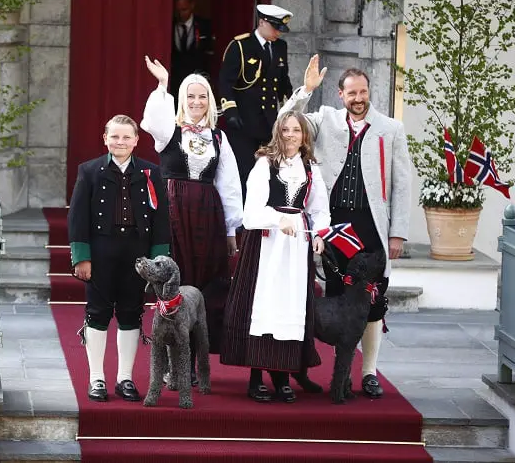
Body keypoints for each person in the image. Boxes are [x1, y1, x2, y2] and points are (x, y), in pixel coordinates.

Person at [279, 55, 412, 398]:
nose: (358, 98)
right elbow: (284, 124)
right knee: (339, 299)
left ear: (370, 92)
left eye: (363, 91)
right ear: (340, 95)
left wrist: (398, 232)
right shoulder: (325, 119)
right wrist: (305, 91)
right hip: (334, 223)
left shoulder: (390, 129)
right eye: (351, 93)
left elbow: (402, 184)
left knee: (372, 301)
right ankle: (341, 376)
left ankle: (368, 372)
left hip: (370, 227)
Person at [140, 56, 243, 382]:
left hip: (208, 216)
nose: (196, 102)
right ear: (182, 100)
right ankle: (171, 367)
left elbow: (229, 185)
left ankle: (195, 364)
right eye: (190, 96)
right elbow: (152, 119)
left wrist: (230, 229)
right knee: (174, 286)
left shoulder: (219, 138)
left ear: (209, 101)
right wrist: (162, 84)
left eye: (202, 96)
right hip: (174, 213)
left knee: (204, 288)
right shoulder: (168, 131)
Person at [220, 111, 330, 403]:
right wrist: (277, 219)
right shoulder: (264, 164)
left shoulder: (310, 169)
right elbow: (252, 208)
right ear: (277, 133)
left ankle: (282, 375)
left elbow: (319, 209)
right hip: (267, 245)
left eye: (297, 130)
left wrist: (319, 234)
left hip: (297, 248)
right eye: (286, 130)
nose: (291, 135)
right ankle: (256, 377)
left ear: (304, 135)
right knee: (264, 305)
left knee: (289, 306)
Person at [68, 114, 171, 403]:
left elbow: (161, 219)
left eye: (126, 137)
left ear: (137, 141)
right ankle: (96, 378)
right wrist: (81, 257)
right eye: (115, 136)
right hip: (100, 253)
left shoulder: (151, 173)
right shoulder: (89, 171)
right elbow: (77, 218)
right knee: (97, 313)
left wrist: (158, 261)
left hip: (136, 255)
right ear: (105, 139)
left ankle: (124, 377)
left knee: (130, 313)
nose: (120, 142)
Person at [219, 3, 294, 202]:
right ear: (262, 22)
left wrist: (291, 108)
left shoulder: (280, 47)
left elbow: (283, 82)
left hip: (269, 123)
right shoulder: (240, 46)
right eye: (275, 27)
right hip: (243, 122)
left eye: (281, 29)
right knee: (245, 174)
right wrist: (231, 112)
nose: (278, 33)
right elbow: (226, 83)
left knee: (269, 174)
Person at [170, 0, 214, 98]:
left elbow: (209, 56)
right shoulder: (169, 25)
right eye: (178, 11)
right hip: (175, 82)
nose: (181, 14)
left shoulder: (204, 26)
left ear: (192, 6)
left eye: (184, 9)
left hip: (197, 80)